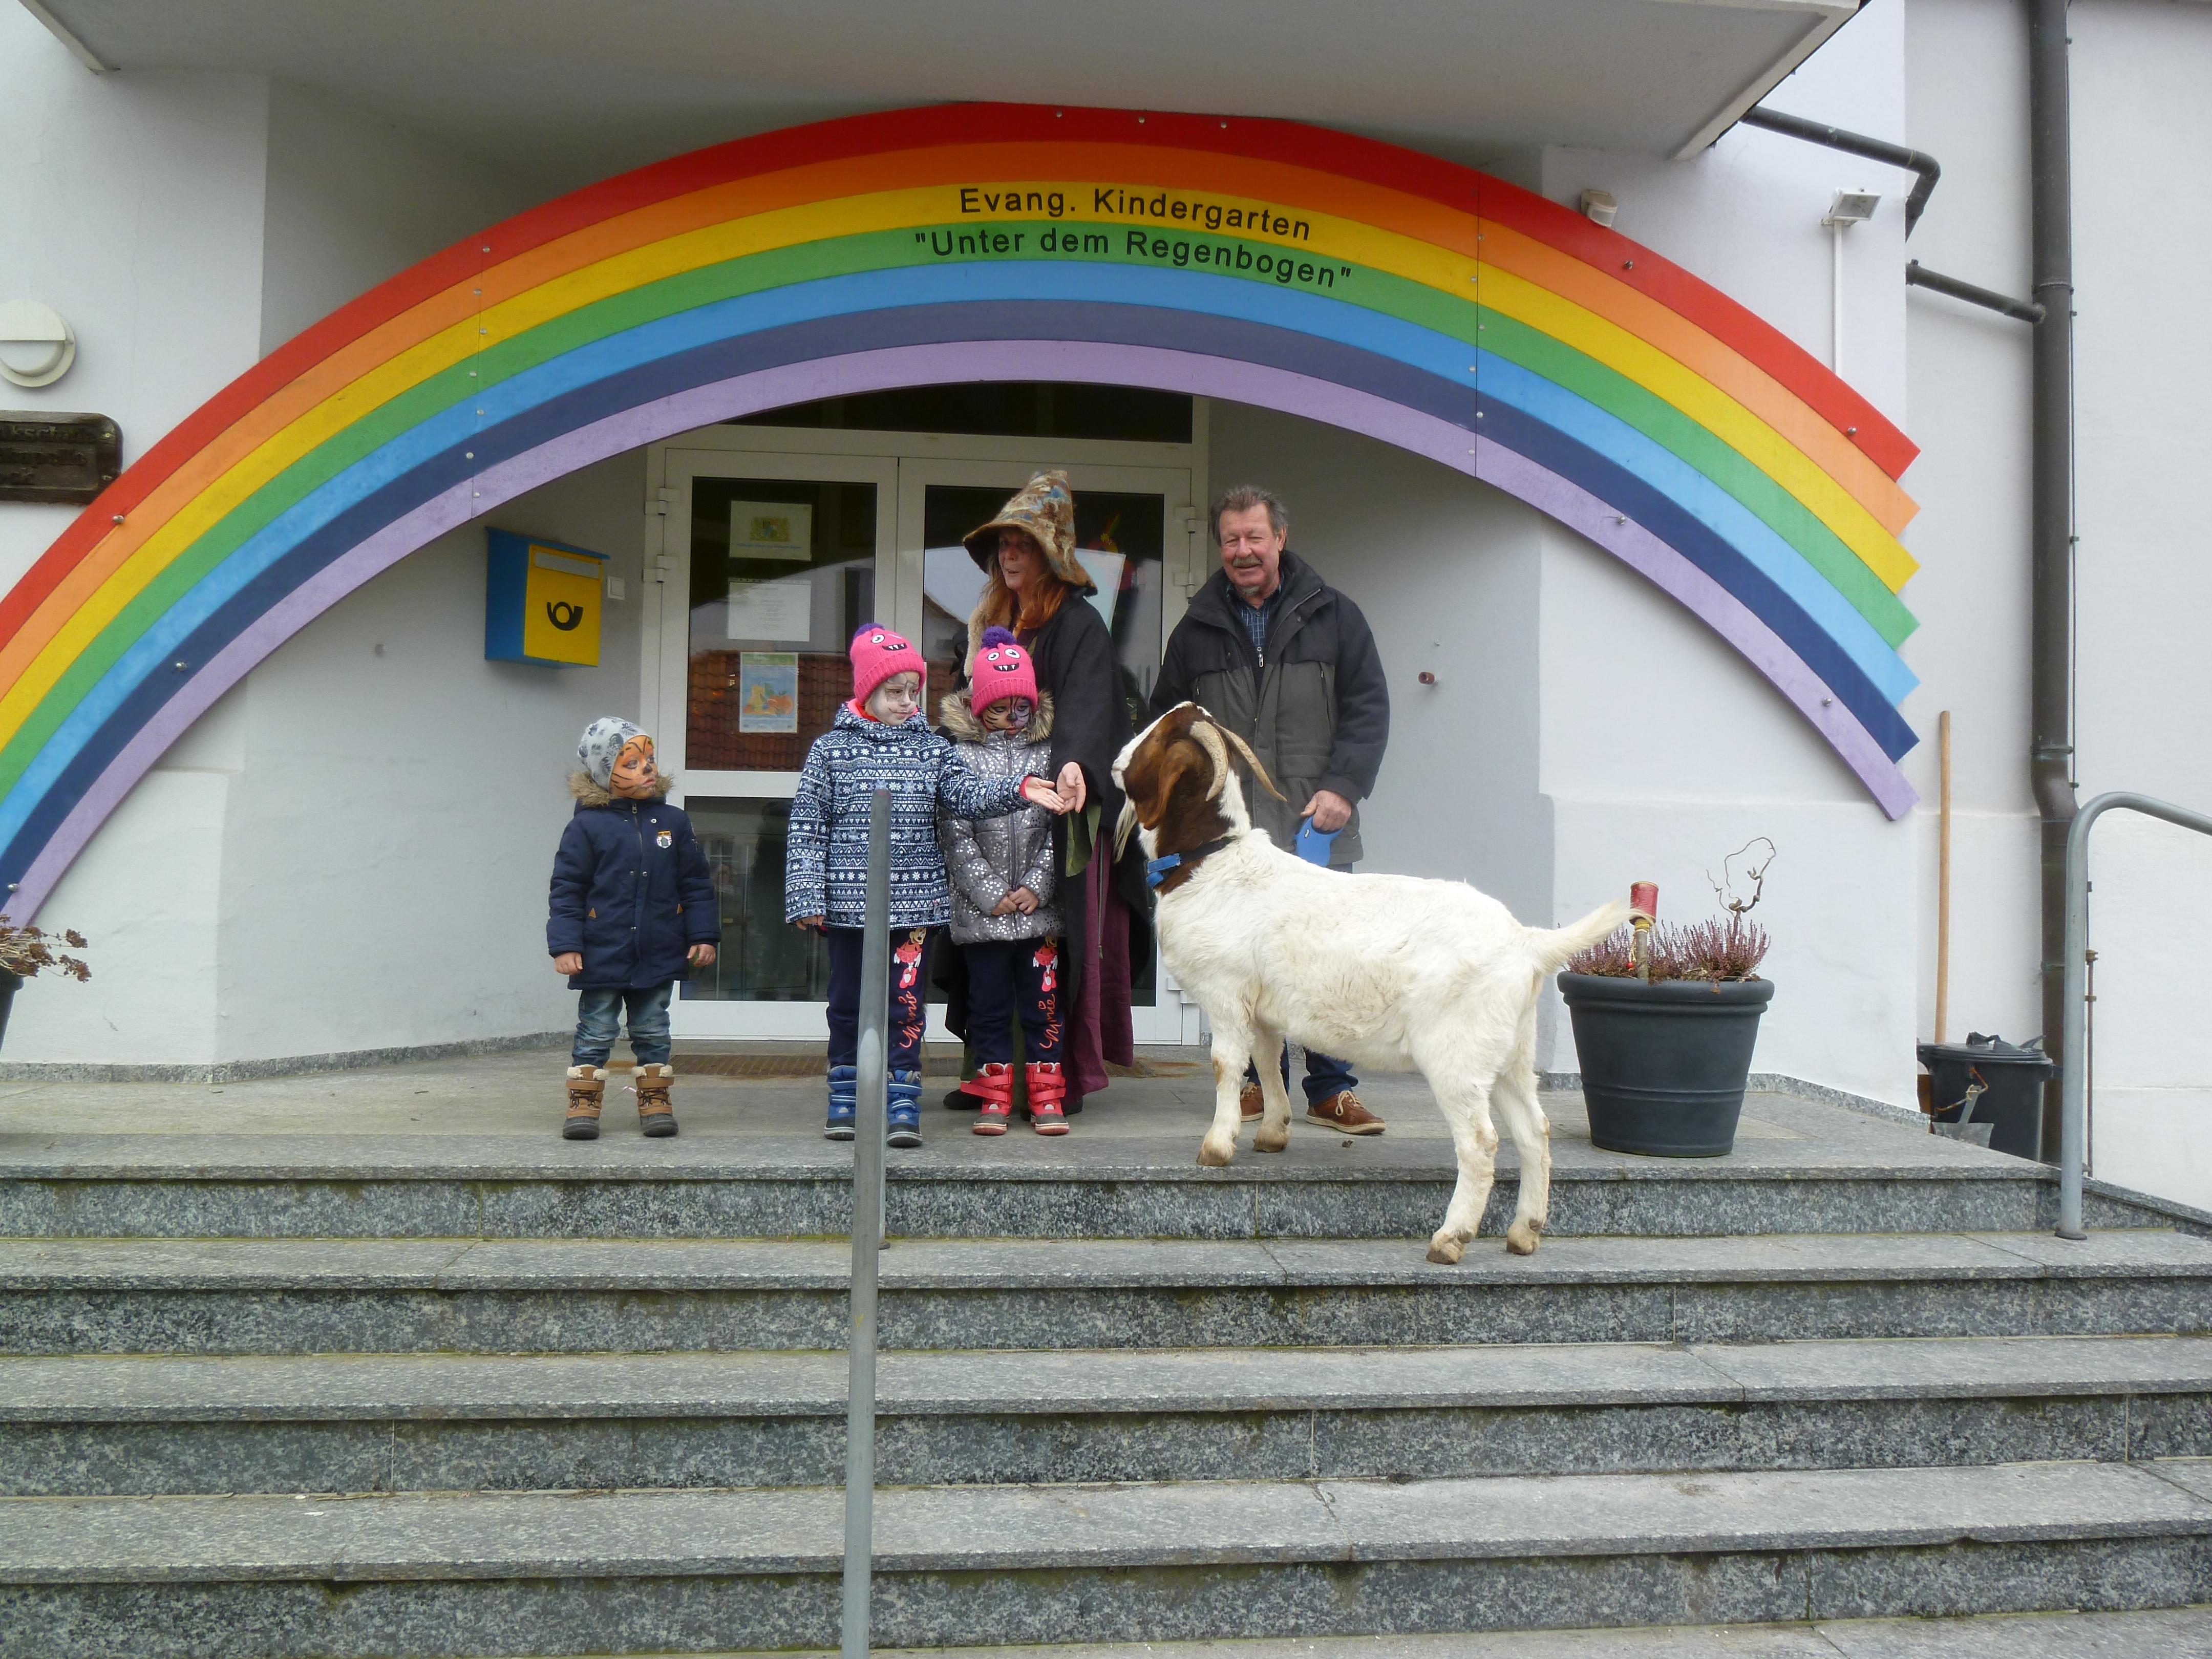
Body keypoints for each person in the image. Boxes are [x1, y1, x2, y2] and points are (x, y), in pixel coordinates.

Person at [1150, 484, 1392, 1135]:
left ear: (1280, 538)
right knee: (1242, 959)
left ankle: (1332, 1090)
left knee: (1329, 958)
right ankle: (1258, 1085)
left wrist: (1344, 787)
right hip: (1229, 839)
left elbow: (1369, 708)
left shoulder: (1335, 616)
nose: (1243, 551)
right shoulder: (1195, 630)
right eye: (1231, 540)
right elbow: (1168, 726)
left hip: (1317, 820)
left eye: (1255, 537)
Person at [786, 623, 1072, 1147]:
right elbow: (808, 825)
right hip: (848, 906)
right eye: (894, 692)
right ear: (866, 691)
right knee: (847, 1001)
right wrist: (807, 893)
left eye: (913, 691)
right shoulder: (830, 751)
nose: (906, 702)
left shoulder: (932, 750)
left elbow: (967, 797)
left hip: (914, 907)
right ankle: (846, 1095)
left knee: (906, 1006)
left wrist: (1019, 788)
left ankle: (902, 1099)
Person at [948, 470, 1149, 1115]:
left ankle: (1053, 1079)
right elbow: (964, 708)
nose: (1010, 556)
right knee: (987, 952)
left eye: (1023, 545)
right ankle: (990, 1077)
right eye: (1003, 545)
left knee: (1046, 953)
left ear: (1050, 554)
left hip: (1059, 820)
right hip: (988, 817)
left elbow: (1090, 709)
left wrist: (1075, 768)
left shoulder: (1080, 624)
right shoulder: (986, 620)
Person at [548, 718, 719, 1141]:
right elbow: (568, 889)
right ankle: (583, 1102)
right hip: (601, 949)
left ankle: (655, 1099)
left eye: (650, 759)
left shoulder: (674, 822)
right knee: (596, 1029)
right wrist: (565, 945)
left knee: (652, 1028)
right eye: (632, 763)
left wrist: (702, 935)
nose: (647, 768)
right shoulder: (587, 826)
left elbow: (695, 884)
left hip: (659, 947)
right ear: (605, 774)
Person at [938, 627, 1070, 1136]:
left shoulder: (1050, 755)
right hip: (983, 918)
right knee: (988, 1009)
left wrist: (1038, 886)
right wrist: (990, 893)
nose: (1014, 719)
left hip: (1040, 917)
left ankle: (1047, 1097)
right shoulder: (961, 758)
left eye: (1022, 708)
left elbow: (1061, 831)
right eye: (1000, 709)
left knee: (1044, 1008)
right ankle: (993, 1097)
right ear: (978, 710)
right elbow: (954, 833)